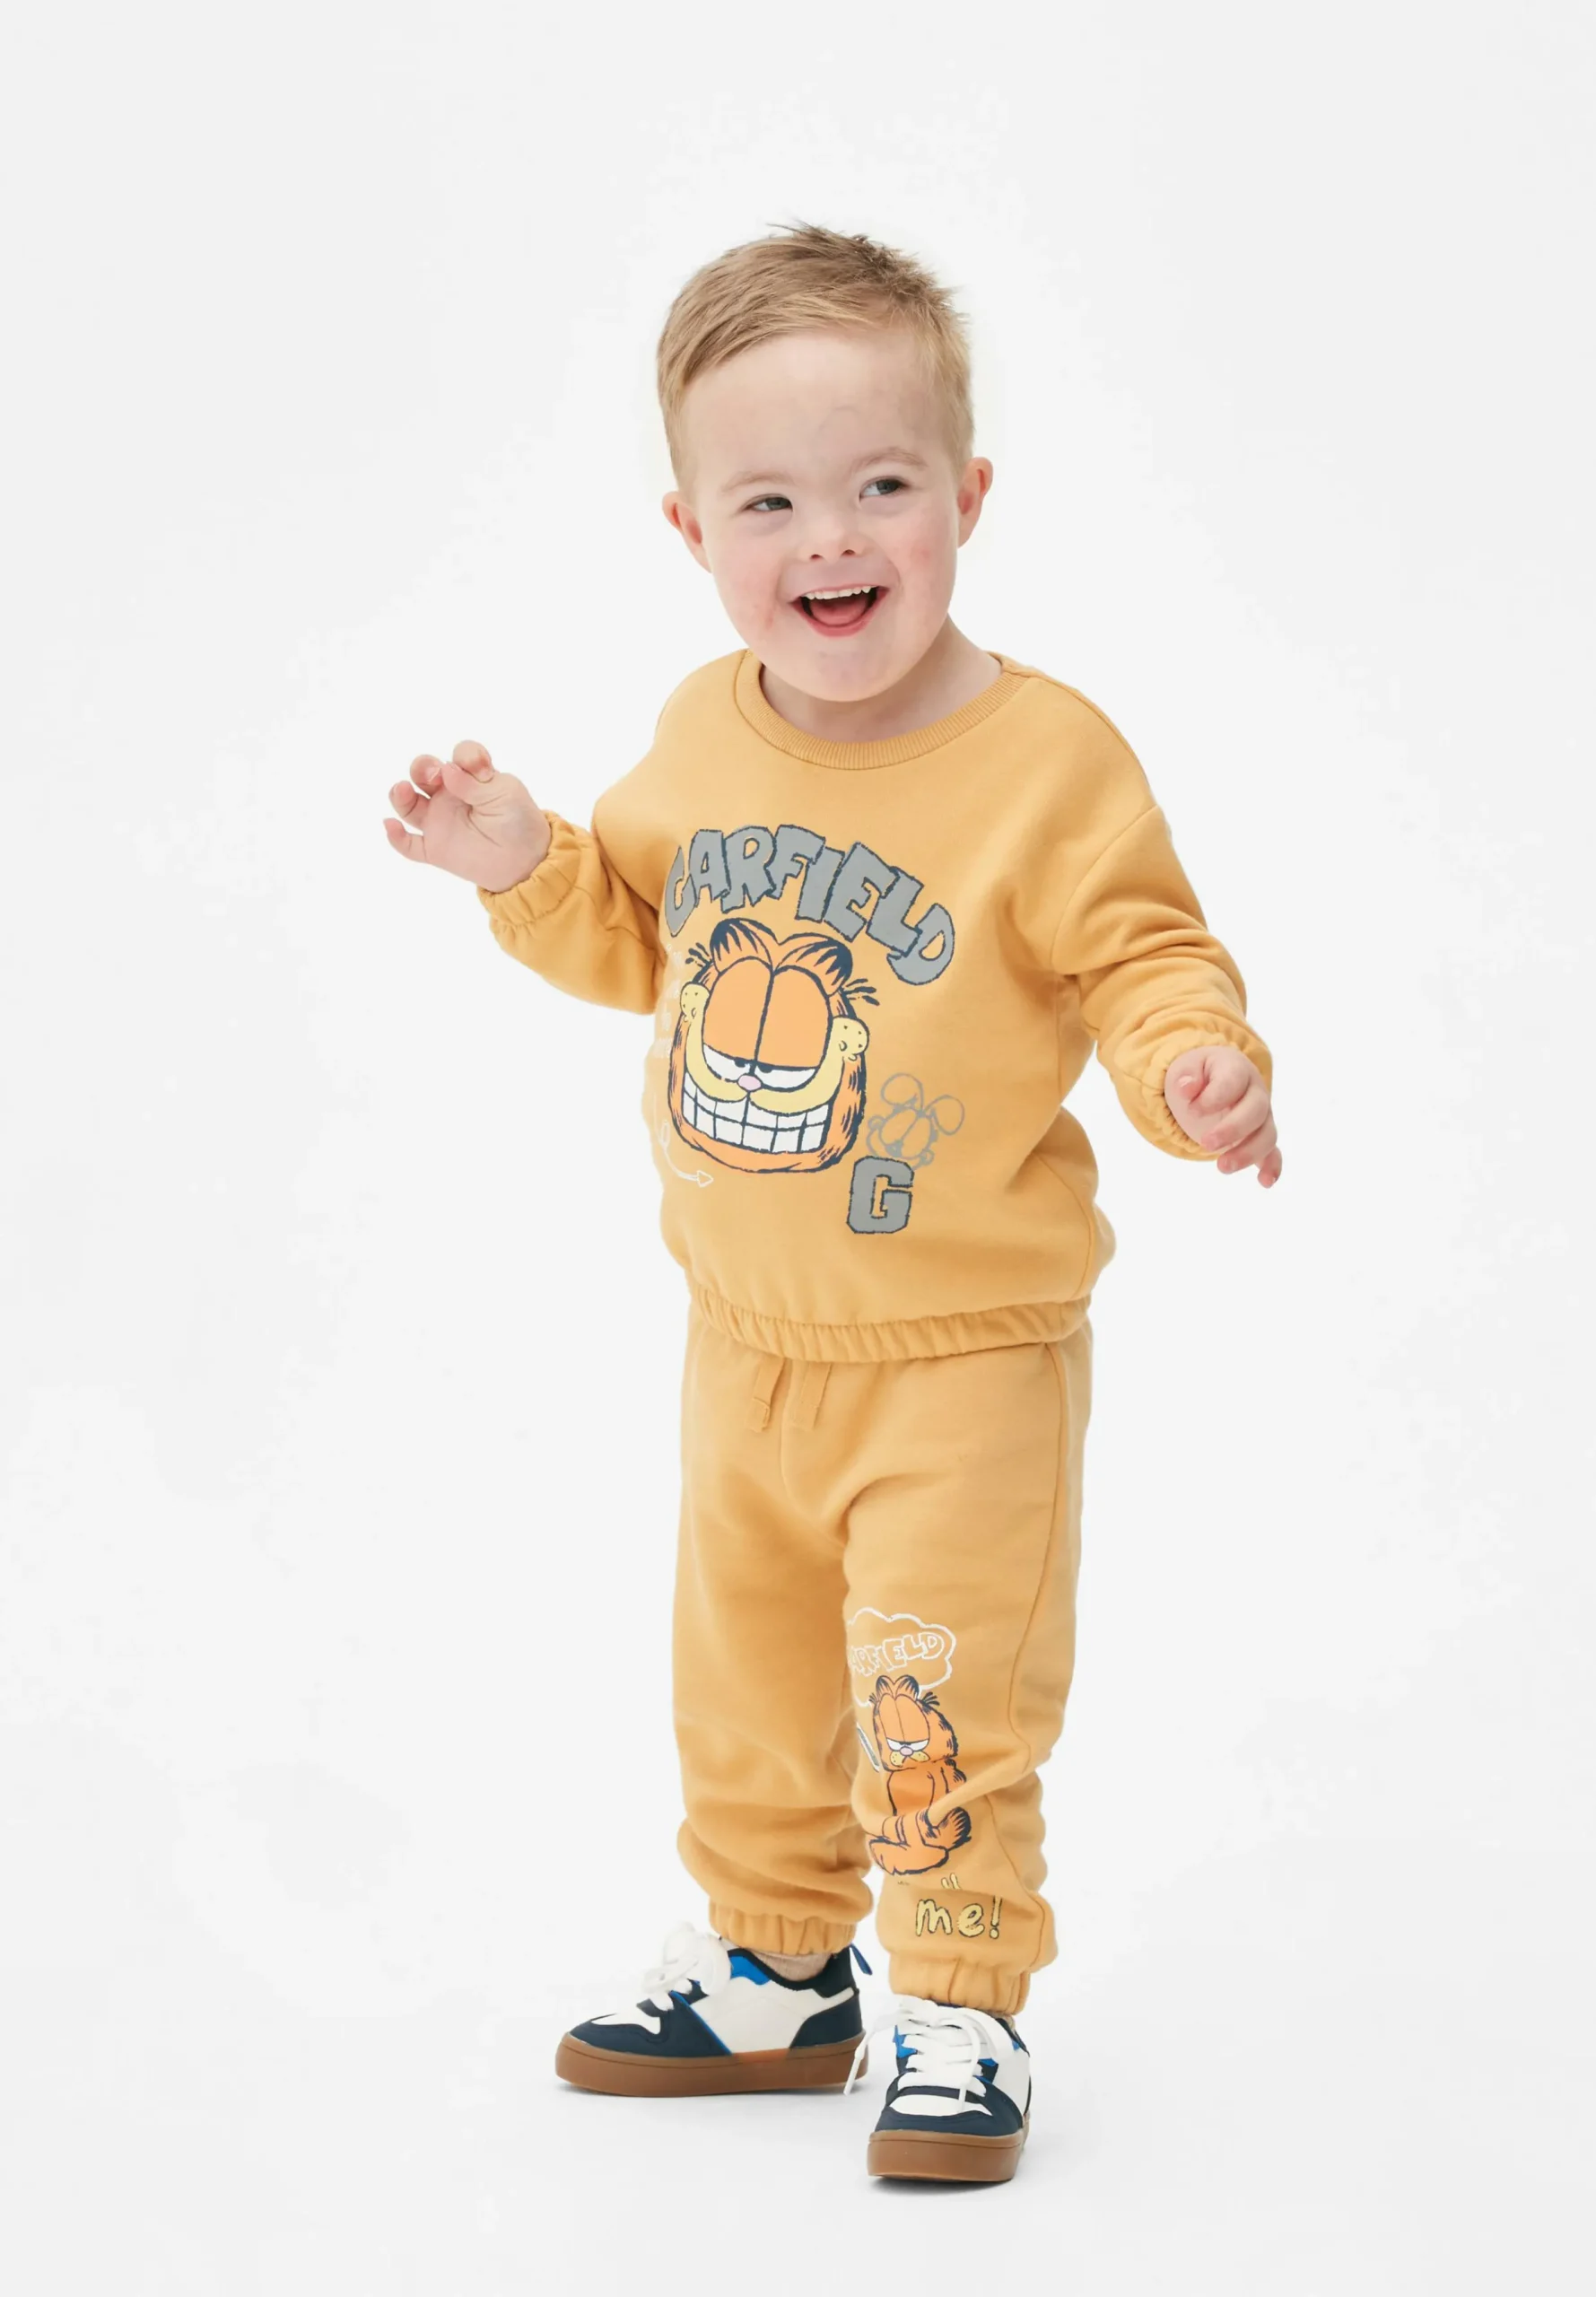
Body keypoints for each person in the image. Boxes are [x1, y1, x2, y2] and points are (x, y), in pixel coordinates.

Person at [382, 222, 1280, 2185]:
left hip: (962, 1356)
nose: (831, 540)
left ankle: (958, 1998)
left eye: (881, 485)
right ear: (691, 529)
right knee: (752, 1683)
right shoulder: (705, 729)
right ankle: (781, 1966)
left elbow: (1144, 953)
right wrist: (523, 859)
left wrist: (1192, 1063)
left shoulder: (1046, 760)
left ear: (966, 496)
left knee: (935, 1693)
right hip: (744, 1342)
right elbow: (645, 939)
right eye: (770, 501)